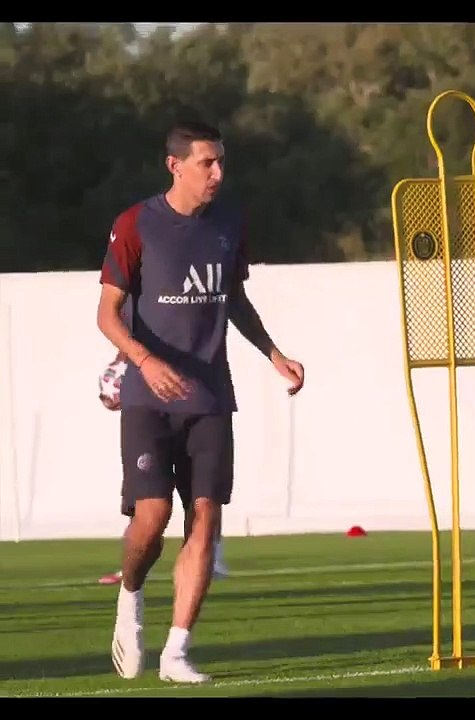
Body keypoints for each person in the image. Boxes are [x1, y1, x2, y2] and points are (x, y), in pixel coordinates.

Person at [97, 119, 305, 684]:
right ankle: (130, 597)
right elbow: (107, 315)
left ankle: (176, 653)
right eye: (206, 163)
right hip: (148, 396)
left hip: (211, 397)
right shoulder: (136, 224)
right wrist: (144, 361)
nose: (217, 173)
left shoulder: (230, 222)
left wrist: (274, 354)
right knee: (153, 515)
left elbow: (233, 298)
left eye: (220, 162)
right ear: (176, 166)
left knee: (206, 518)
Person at [97, 348, 230, 586]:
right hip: (149, 410)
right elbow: (126, 337)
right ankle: (133, 572)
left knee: (203, 496)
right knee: (147, 503)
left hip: (196, 402)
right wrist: (118, 371)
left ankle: (212, 557)